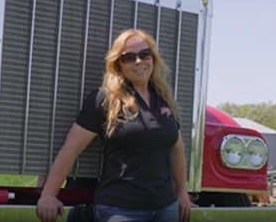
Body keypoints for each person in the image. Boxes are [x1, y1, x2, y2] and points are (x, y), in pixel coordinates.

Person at [36, 29, 193, 222]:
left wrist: (182, 193)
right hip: (121, 209)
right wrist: (49, 195)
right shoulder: (104, 100)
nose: (139, 61)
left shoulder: (164, 99)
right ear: (118, 64)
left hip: (166, 208)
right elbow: (71, 148)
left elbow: (177, 149)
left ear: (153, 58)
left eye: (145, 54)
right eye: (129, 57)